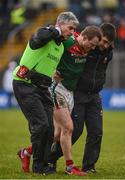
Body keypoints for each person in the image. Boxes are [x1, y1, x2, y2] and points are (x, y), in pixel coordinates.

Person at [17, 25, 102, 175]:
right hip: (58, 87)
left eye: (95, 46)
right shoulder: (67, 41)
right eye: (92, 44)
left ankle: (27, 152)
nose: (93, 48)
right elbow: (50, 47)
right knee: (68, 127)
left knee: (56, 134)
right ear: (84, 37)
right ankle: (70, 166)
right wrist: (52, 70)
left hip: (70, 91)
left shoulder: (87, 49)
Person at [13, 11, 79, 175]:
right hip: (25, 84)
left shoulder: (60, 46)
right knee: (41, 125)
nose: (72, 32)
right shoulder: (44, 35)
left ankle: (35, 159)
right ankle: (38, 167)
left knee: (50, 129)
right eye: (69, 28)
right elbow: (38, 37)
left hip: (42, 88)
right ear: (60, 24)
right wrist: (56, 30)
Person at [45, 23, 117, 173]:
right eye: (103, 41)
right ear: (97, 37)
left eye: (108, 43)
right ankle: (50, 159)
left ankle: (89, 167)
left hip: (95, 95)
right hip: (78, 93)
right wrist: (55, 70)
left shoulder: (108, 52)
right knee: (73, 130)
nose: (104, 45)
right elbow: (65, 52)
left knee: (96, 132)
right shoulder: (87, 47)